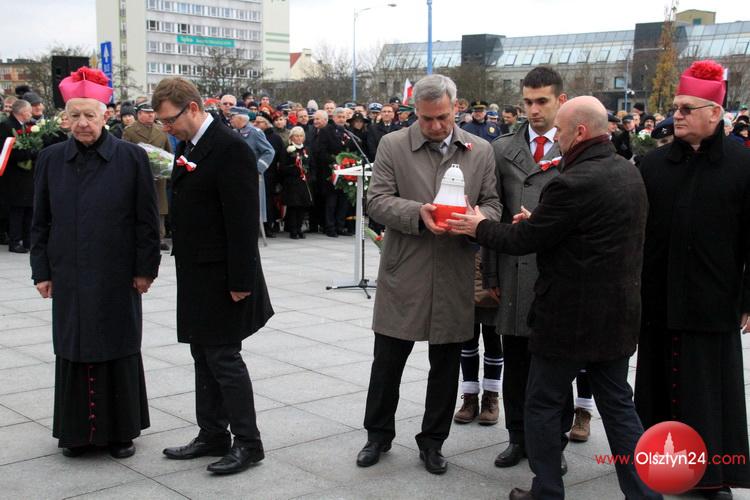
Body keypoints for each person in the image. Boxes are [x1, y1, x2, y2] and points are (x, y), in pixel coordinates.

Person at [450, 95, 661, 500]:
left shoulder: (571, 182)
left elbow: (524, 240)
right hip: (617, 315)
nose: (556, 138)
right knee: (619, 407)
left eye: (560, 131)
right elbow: (592, 233)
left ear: (580, 131)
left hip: (567, 319)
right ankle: (645, 494)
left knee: (542, 404)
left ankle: (546, 491)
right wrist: (544, 221)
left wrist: (478, 226)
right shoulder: (627, 172)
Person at [356, 74, 500, 475]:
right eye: (426, 118)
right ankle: (377, 435)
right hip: (405, 269)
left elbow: (493, 203)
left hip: (454, 270)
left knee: (446, 365)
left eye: (442, 117)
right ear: (414, 112)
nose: (435, 126)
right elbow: (376, 201)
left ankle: (433, 442)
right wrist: (417, 213)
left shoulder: (480, 150)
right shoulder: (393, 144)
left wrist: (477, 219)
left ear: (456, 108)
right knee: (387, 362)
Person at [30, 66, 160, 459]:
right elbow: (41, 220)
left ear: (106, 115)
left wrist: (145, 269)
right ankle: (76, 433)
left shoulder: (131, 157)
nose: (82, 123)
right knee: (73, 344)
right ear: (65, 118)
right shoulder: (51, 159)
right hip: (68, 272)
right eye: (75, 115)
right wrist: (41, 271)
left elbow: (147, 220)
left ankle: (121, 432)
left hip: (117, 272)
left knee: (117, 343)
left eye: (90, 115)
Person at [635, 60, 750, 500]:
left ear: (714, 113)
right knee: (657, 387)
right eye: (675, 107)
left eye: (686, 109)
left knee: (708, 393)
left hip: (712, 299)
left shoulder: (743, 165)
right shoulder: (653, 165)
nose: (676, 115)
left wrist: (748, 299)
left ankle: (711, 476)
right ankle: (657, 466)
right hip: (659, 299)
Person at [153, 77, 274, 475]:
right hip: (196, 271)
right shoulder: (188, 144)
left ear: (192, 108)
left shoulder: (229, 148)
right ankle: (212, 434)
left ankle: (249, 443)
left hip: (223, 275)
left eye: (169, 120)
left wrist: (241, 281)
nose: (166, 128)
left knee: (224, 357)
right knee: (202, 355)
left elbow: (242, 221)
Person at [482, 66, 569, 472]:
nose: (533, 110)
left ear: (560, 101)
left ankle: (553, 443)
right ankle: (517, 436)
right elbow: (492, 215)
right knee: (516, 362)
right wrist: (491, 275)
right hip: (514, 271)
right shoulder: (502, 149)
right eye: (528, 102)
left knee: (555, 366)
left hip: (556, 273)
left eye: (542, 101)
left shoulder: (574, 147)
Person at [0, 99, 35, 253]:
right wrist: (29, 153)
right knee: (17, 209)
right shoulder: (6, 126)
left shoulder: (25, 126)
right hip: (13, 175)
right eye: (29, 111)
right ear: (22, 112)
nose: (31, 114)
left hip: (25, 175)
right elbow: (7, 152)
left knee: (27, 208)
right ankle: (15, 241)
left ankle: (28, 240)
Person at [279, 126, 313, 239]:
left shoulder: (306, 149)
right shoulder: (287, 149)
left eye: (301, 136)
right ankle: (293, 230)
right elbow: (282, 167)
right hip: (292, 182)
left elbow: (312, 164)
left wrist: (310, 176)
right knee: (293, 207)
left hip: (304, 182)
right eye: (296, 136)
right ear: (292, 137)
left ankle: (299, 228)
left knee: (302, 207)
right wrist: (295, 169)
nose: (299, 138)